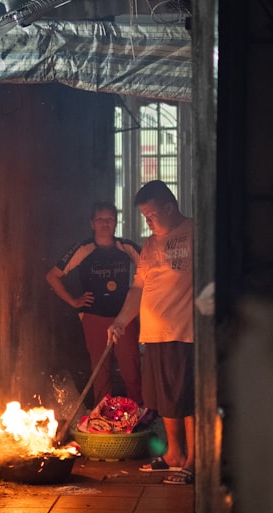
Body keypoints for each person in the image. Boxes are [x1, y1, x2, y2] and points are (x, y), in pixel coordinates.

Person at [107, 181, 194, 485]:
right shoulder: (150, 244)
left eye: (152, 215)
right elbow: (137, 288)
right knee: (164, 398)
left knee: (186, 397)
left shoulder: (195, 233)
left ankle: (193, 462)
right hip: (154, 334)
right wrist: (121, 320)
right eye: (145, 216)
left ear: (170, 208)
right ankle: (174, 455)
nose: (148, 222)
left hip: (184, 331)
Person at [46, 201, 143, 407]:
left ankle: (138, 416)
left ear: (116, 222)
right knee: (100, 371)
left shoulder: (126, 247)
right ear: (92, 223)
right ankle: (103, 416)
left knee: (131, 369)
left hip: (124, 318)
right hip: (94, 317)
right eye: (100, 219)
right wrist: (73, 301)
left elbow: (153, 271)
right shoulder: (83, 249)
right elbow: (52, 276)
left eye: (109, 219)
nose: (105, 224)